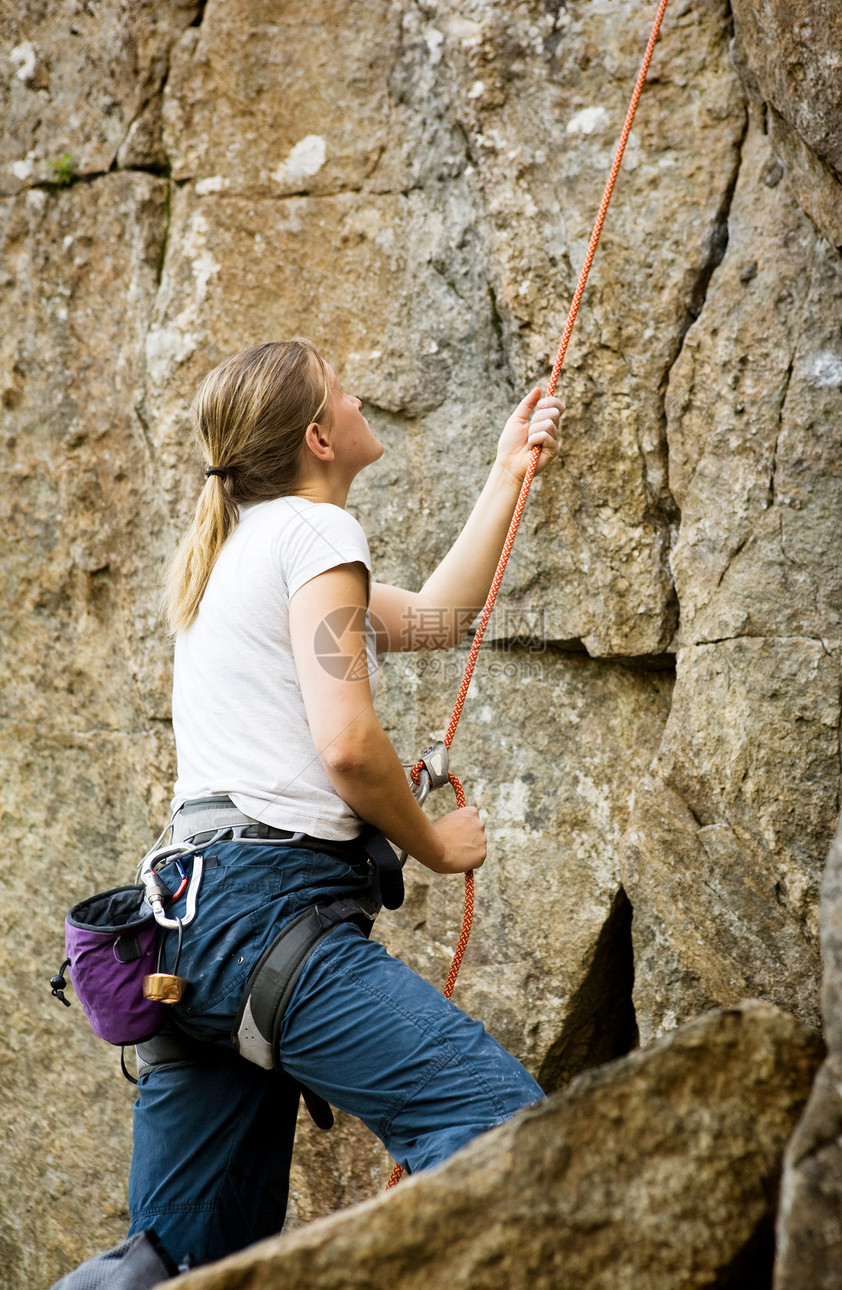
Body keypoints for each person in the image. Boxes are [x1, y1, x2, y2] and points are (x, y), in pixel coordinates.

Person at [126, 339, 563, 1270]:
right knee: (505, 1130)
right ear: (321, 436)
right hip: (263, 916)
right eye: (342, 385)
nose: (362, 392)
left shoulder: (244, 549)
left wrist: (503, 472)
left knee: (181, 1262)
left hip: (185, 939)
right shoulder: (315, 535)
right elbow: (349, 746)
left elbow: (442, 619)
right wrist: (437, 848)